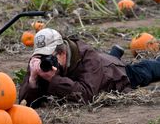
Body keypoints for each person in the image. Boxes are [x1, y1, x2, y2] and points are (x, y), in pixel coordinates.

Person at [19, 28, 160, 108]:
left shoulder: (86, 54)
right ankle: (114, 54)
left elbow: (86, 96)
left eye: (49, 56)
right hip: (98, 68)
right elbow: (25, 103)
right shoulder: (40, 61)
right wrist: (32, 81)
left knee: (146, 71)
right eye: (42, 56)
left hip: (117, 74)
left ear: (62, 53)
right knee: (106, 59)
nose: (45, 60)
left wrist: (53, 79)